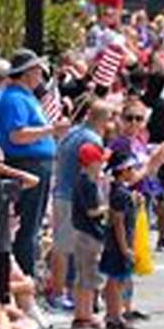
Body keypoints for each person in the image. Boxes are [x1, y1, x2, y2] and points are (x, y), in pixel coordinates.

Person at [0, 50, 69, 278]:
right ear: (26, 73)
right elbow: (16, 135)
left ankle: (27, 276)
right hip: (27, 163)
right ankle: (25, 276)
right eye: (37, 70)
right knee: (28, 225)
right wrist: (50, 130)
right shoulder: (15, 98)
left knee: (34, 224)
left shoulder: (26, 97)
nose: (41, 74)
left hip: (38, 163)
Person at [49, 101, 113, 309]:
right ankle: (59, 294)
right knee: (66, 247)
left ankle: (66, 292)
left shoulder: (73, 132)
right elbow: (95, 173)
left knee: (65, 246)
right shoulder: (92, 140)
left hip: (61, 192)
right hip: (73, 197)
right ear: (103, 119)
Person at [0, 146, 41, 329]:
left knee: (0, 303)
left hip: (1, 248)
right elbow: (33, 180)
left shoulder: (3, 186)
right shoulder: (2, 187)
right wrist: (7, 170)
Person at [100, 151, 142, 329]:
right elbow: (118, 222)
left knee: (115, 280)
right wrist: (125, 248)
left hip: (116, 243)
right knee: (117, 282)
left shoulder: (120, 192)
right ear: (123, 171)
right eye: (131, 168)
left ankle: (113, 315)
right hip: (118, 245)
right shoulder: (120, 194)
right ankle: (115, 317)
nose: (134, 171)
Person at [70, 142, 108, 329]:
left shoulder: (85, 181)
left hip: (85, 233)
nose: (101, 165)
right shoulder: (87, 183)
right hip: (87, 234)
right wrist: (107, 209)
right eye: (99, 161)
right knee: (86, 276)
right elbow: (92, 211)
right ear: (91, 162)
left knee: (88, 276)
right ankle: (82, 316)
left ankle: (86, 313)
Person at [140, 72, 164, 250]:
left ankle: (142, 238)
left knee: (144, 197)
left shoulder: (139, 105)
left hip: (142, 153)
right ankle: (163, 238)